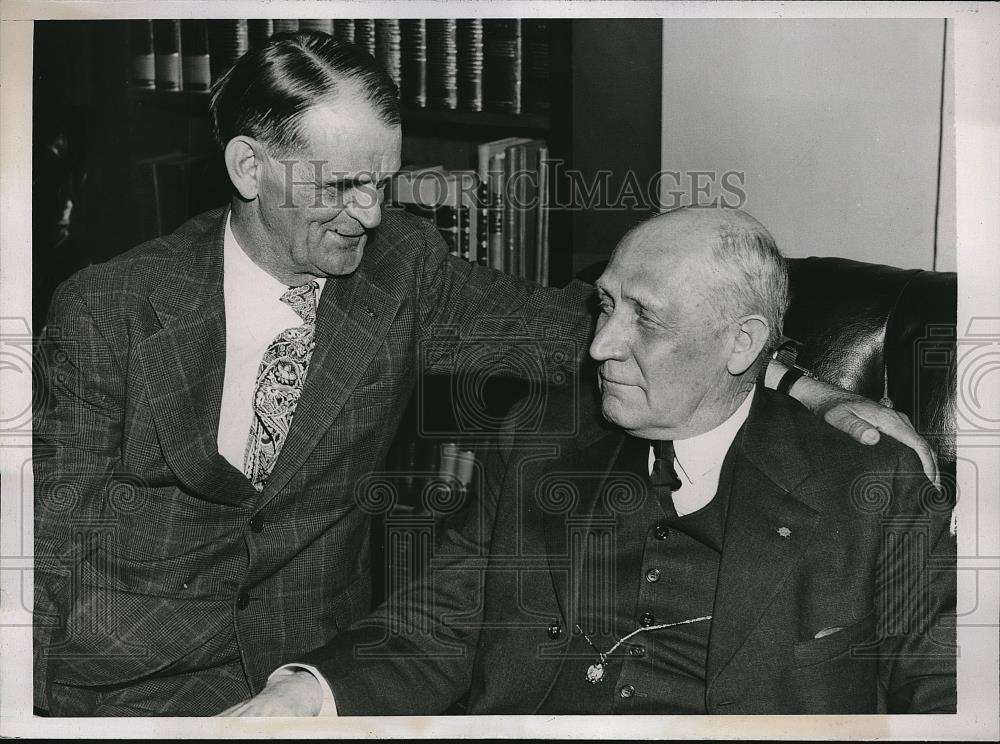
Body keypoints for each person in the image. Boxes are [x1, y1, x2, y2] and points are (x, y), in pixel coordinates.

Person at [33, 32, 938, 716]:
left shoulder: (401, 272)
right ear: (248, 167)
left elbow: (574, 334)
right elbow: (39, 549)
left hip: (311, 678)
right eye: (342, 186)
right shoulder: (109, 311)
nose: (371, 214)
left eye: (382, 183)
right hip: (122, 686)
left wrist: (809, 385)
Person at [226, 207, 955, 716]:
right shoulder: (536, 440)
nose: (602, 344)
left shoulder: (871, 486)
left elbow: (947, 690)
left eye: (646, 318)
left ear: (742, 343)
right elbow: (440, 621)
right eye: (606, 305)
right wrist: (308, 690)